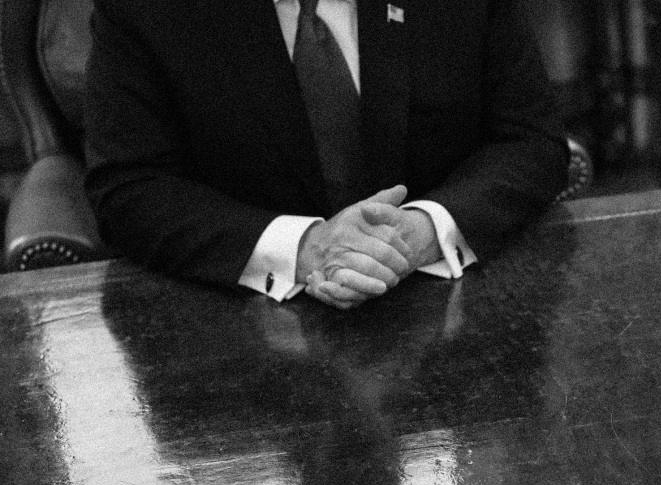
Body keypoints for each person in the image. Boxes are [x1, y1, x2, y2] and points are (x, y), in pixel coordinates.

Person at [83, 0, 568, 309]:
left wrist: (420, 231)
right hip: (240, 330)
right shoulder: (144, 10)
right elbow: (130, 188)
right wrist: (307, 248)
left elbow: (530, 140)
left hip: (451, 303)